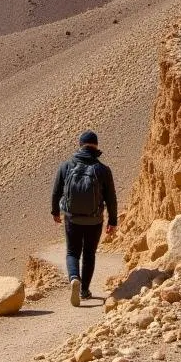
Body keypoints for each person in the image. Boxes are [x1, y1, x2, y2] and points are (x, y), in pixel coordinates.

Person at [51, 130, 119, 306]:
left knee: (73, 252)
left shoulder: (66, 166)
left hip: (72, 218)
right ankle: (84, 291)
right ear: (96, 146)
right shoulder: (103, 170)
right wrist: (112, 221)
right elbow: (111, 198)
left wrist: (55, 212)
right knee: (89, 254)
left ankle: (74, 278)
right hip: (95, 220)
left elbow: (56, 191)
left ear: (80, 145)